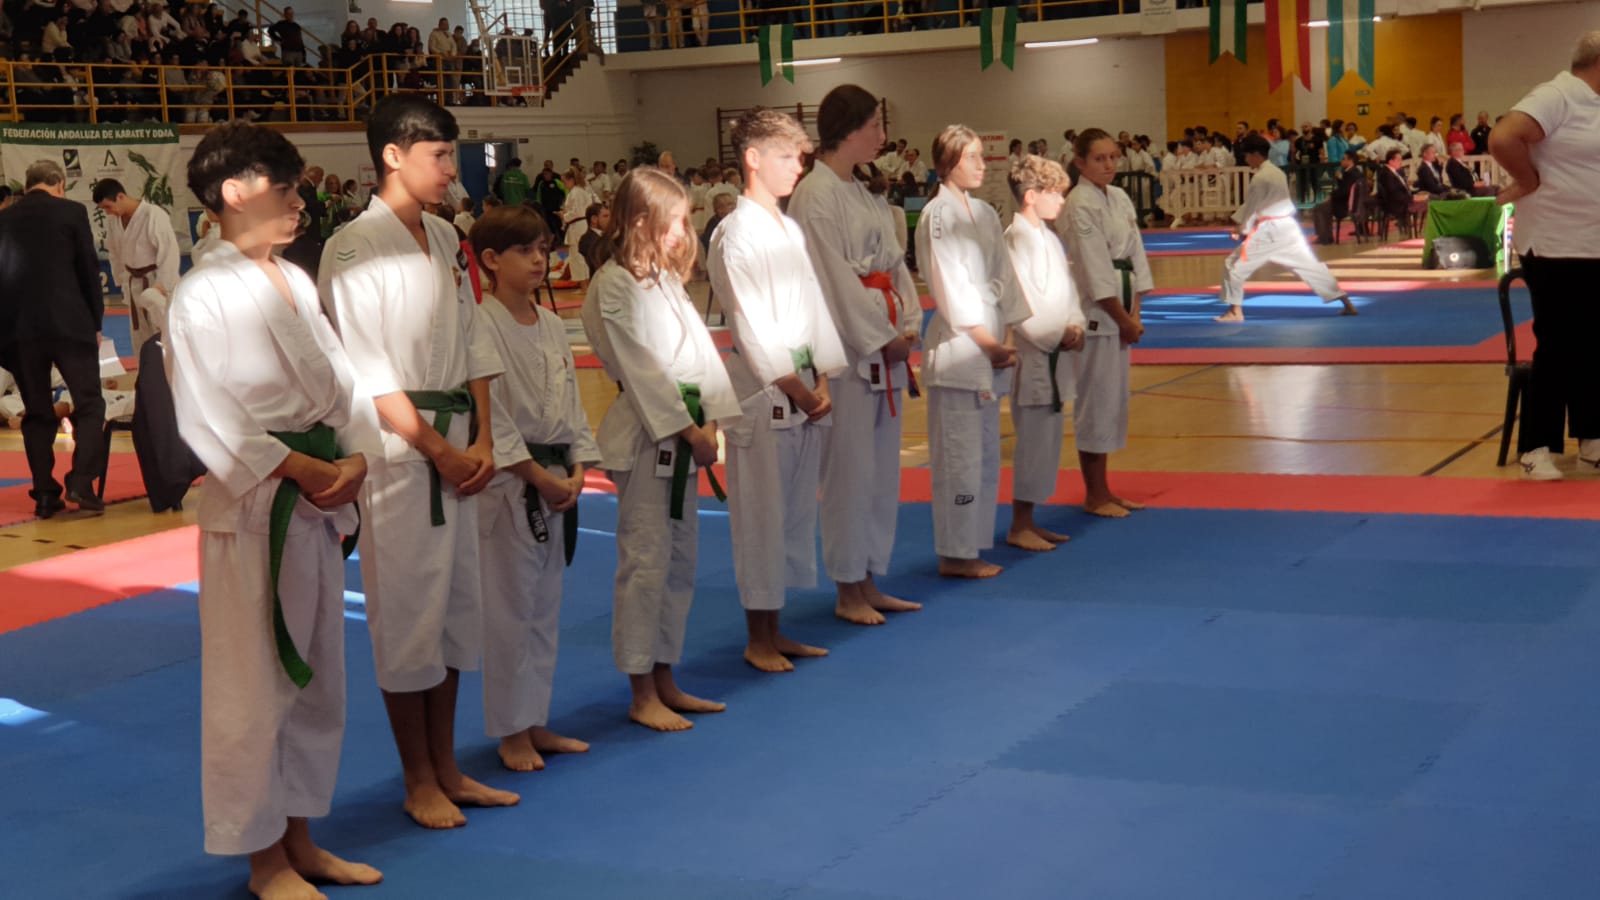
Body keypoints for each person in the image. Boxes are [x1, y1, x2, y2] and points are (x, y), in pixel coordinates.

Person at [167, 121, 382, 900]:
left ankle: (300, 841)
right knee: (253, 685)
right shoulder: (201, 294)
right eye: (286, 189)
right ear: (235, 192)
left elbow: (347, 382)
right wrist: (300, 466)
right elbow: (207, 416)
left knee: (317, 679)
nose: (300, 204)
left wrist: (357, 455)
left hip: (317, 498)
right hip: (258, 507)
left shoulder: (293, 279)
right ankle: (264, 862)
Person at [319, 95, 520, 828]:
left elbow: (474, 340)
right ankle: (417, 779)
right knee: (408, 616)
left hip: (460, 442)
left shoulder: (444, 235)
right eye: (438, 156)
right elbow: (367, 370)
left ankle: (448, 766)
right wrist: (438, 450)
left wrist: (485, 439)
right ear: (393, 156)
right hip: (402, 456)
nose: (450, 170)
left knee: (458, 612)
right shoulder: (351, 248)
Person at [580, 166, 739, 731]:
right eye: (673, 221)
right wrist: (690, 430)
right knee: (646, 564)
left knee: (679, 563)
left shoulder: (664, 280)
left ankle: (666, 677)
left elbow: (702, 355)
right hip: (647, 439)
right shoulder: (613, 284)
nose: (682, 232)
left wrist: (713, 418)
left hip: (686, 435)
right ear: (641, 220)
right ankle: (641, 690)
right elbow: (640, 368)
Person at [707, 108, 846, 672]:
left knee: (791, 517)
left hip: (804, 387)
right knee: (760, 520)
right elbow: (752, 326)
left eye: (801, 157)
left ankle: (777, 628)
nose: (798, 167)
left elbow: (815, 308)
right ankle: (756, 638)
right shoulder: (734, 234)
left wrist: (823, 377)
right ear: (753, 158)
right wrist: (799, 389)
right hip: (763, 395)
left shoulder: (789, 228)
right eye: (787, 156)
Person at [466, 205, 597, 771]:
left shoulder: (550, 323)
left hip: (554, 475)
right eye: (525, 251)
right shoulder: (480, 323)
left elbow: (571, 400)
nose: (540, 260)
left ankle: (536, 719)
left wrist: (578, 464)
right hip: (510, 482)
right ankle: (510, 731)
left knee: (545, 608)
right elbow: (489, 414)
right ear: (491, 260)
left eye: (543, 248)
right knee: (510, 612)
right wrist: (536, 475)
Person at [787, 84, 923, 625]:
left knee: (879, 472)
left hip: (884, 342)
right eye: (874, 126)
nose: (882, 137)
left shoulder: (863, 191)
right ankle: (847, 587)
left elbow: (895, 265)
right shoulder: (814, 195)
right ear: (847, 130)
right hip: (845, 353)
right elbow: (833, 280)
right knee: (848, 472)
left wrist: (908, 323)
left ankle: (868, 578)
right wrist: (881, 337)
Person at [917, 124, 1029, 580]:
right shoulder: (937, 215)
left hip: (991, 347)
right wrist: (989, 344)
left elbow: (1006, 276)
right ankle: (955, 552)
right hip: (959, 353)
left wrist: (1010, 337)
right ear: (947, 163)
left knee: (983, 457)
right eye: (972, 157)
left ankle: (974, 544)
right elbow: (950, 288)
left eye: (982, 155)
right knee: (958, 460)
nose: (982, 164)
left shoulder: (983, 212)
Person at [1490, 31, 1600, 480]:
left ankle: (1592, 438)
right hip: (1556, 243)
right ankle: (1536, 447)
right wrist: (1528, 180)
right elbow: (1503, 138)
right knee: (1558, 344)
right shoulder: (1558, 95)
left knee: (1593, 345)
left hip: (1593, 242)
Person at [0, 160, 107, 519]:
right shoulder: (71, 212)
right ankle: (81, 481)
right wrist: (95, 321)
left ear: (28, 184)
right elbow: (88, 269)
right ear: (59, 184)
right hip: (69, 324)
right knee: (89, 404)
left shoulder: (4, 219)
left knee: (37, 414)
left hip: (20, 331)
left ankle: (45, 493)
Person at [1056, 129, 1149, 519]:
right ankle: (1094, 494)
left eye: (1113, 157)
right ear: (1080, 163)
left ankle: (1105, 490)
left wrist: (1136, 311)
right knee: (1095, 402)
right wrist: (1123, 319)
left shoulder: (1120, 197)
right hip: (1097, 313)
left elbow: (1137, 254)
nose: (1109, 164)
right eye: (1099, 158)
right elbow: (1094, 268)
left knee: (1112, 401)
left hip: (1122, 305)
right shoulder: (1078, 203)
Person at [1003, 155, 1086, 552]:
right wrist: (1056, 334)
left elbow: (1068, 292)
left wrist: (1076, 323)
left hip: (1056, 350)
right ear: (1032, 196)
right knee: (1033, 442)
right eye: (1056, 194)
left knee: (1049, 441)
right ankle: (1019, 523)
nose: (1062, 201)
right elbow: (1020, 304)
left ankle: (1031, 519)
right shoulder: (1014, 239)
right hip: (1034, 354)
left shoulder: (1050, 239)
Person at [1214, 135, 1355, 323]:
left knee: (1234, 265)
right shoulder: (1277, 172)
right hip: (1288, 227)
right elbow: (1259, 203)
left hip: (1269, 230)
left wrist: (1242, 229)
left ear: (1256, 154)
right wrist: (1241, 225)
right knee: (1309, 266)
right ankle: (1346, 302)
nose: (1246, 160)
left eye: (1247, 156)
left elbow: (1252, 207)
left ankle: (1235, 311)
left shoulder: (1260, 178)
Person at [94, 177, 180, 352]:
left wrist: (162, 285)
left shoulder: (153, 214)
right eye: (103, 209)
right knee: (139, 336)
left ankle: (169, 369)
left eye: (108, 207)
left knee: (164, 334)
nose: (108, 213)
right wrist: (122, 281)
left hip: (156, 282)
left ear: (120, 197)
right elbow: (114, 253)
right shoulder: (114, 221)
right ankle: (144, 369)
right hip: (133, 283)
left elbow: (169, 252)